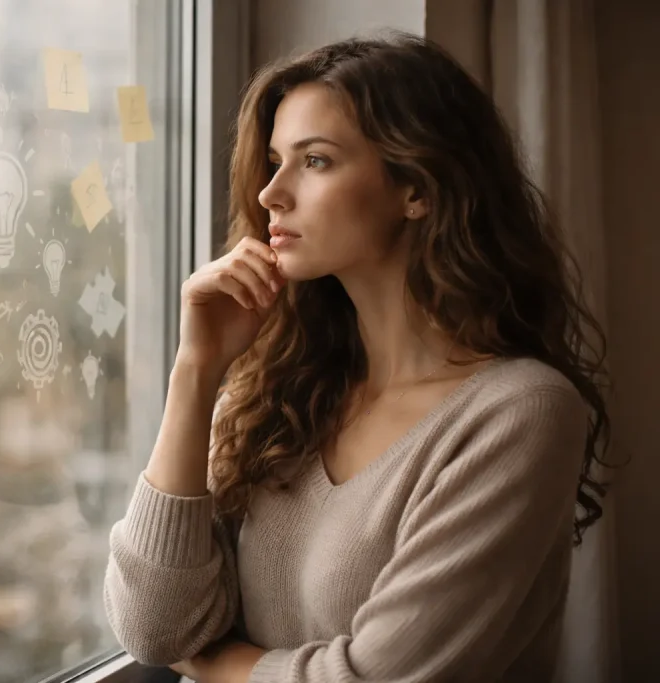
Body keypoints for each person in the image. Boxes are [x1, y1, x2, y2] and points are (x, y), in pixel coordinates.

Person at [102, 31, 611, 683]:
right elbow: (152, 627)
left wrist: (216, 662)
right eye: (276, 160)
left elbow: (372, 678)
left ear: (417, 187)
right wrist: (196, 370)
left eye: (314, 161)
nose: (270, 194)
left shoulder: (520, 413)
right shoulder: (276, 388)